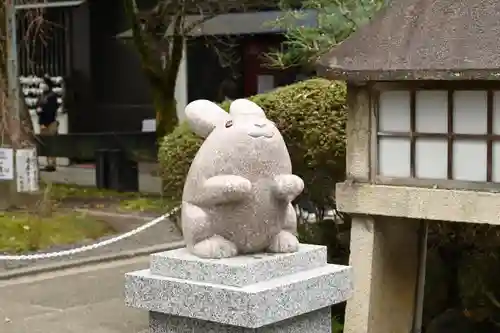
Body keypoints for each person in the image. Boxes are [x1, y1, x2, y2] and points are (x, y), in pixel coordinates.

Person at [36, 75, 59, 172]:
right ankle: (48, 162)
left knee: (51, 143)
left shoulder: (52, 96)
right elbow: (37, 106)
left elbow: (51, 110)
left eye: (44, 83)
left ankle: (52, 163)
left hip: (50, 122)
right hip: (43, 122)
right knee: (45, 143)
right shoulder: (42, 96)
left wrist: (42, 111)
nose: (42, 85)